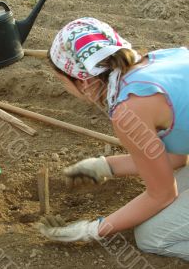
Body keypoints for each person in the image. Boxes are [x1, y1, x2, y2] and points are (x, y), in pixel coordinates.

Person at [36, 17, 189, 261]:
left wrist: (93, 230)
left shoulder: (128, 110)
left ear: (82, 81)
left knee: (152, 235)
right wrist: (105, 166)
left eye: (62, 80)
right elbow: (177, 157)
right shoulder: (159, 60)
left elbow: (162, 194)